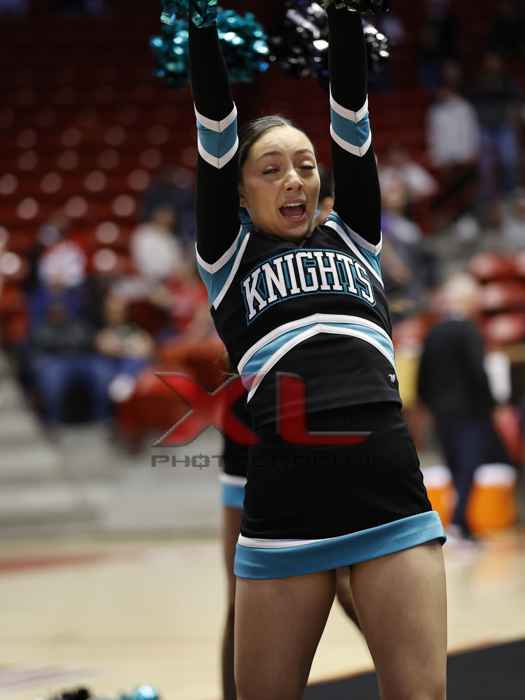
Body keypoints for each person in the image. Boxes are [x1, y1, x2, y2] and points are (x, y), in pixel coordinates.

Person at [188, 3, 447, 699]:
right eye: (270, 170)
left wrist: (344, 17)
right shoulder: (228, 258)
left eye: (304, 166)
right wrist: (202, 27)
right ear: (239, 192)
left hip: (388, 491)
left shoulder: (355, 237)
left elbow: (353, 121)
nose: (294, 179)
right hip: (286, 508)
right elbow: (214, 130)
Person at [417, 273, 512, 541]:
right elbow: (477, 372)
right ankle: (459, 522)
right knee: (469, 466)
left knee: (454, 465)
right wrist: (492, 405)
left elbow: (423, 375)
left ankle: (460, 523)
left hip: (441, 412)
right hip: (470, 411)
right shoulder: (470, 331)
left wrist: (430, 404)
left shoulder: (434, 332)